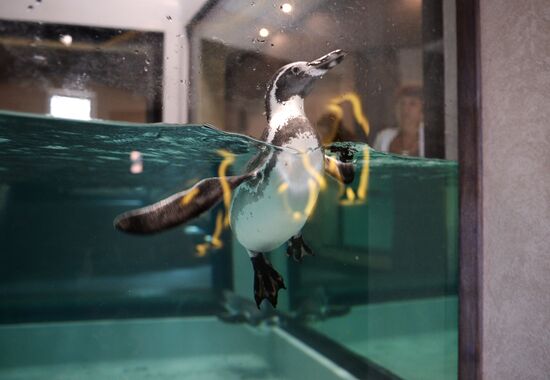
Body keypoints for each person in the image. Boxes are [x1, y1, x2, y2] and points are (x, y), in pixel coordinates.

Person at [373, 84, 424, 157]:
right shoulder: (383, 137)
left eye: (412, 104)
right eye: (402, 103)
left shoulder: (430, 140)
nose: (405, 109)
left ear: (422, 112)